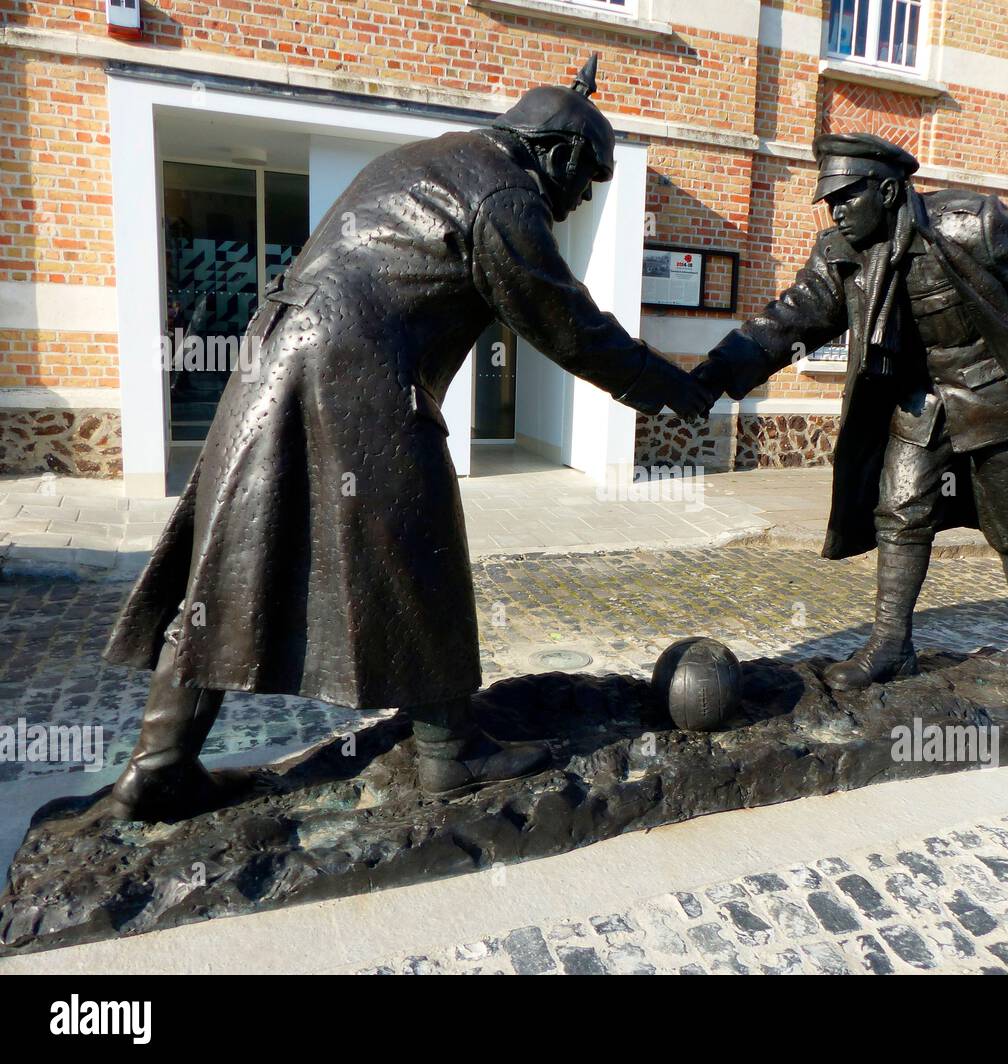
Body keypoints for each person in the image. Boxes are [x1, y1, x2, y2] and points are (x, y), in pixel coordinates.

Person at [103, 57, 714, 821]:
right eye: (587, 177)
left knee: (231, 555)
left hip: (276, 356)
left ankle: (159, 766)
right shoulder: (503, 193)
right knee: (420, 548)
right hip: (357, 375)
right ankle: (449, 753)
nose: (582, 197)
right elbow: (568, 325)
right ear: (557, 155)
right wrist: (673, 390)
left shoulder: (429, 157)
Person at [692, 132, 1008, 697]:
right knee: (899, 511)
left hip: (995, 397)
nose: (837, 212)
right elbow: (790, 320)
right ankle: (892, 645)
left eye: (847, 197)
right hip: (917, 404)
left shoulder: (972, 222)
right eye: (831, 202)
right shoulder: (840, 254)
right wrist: (712, 375)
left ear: (889, 191)